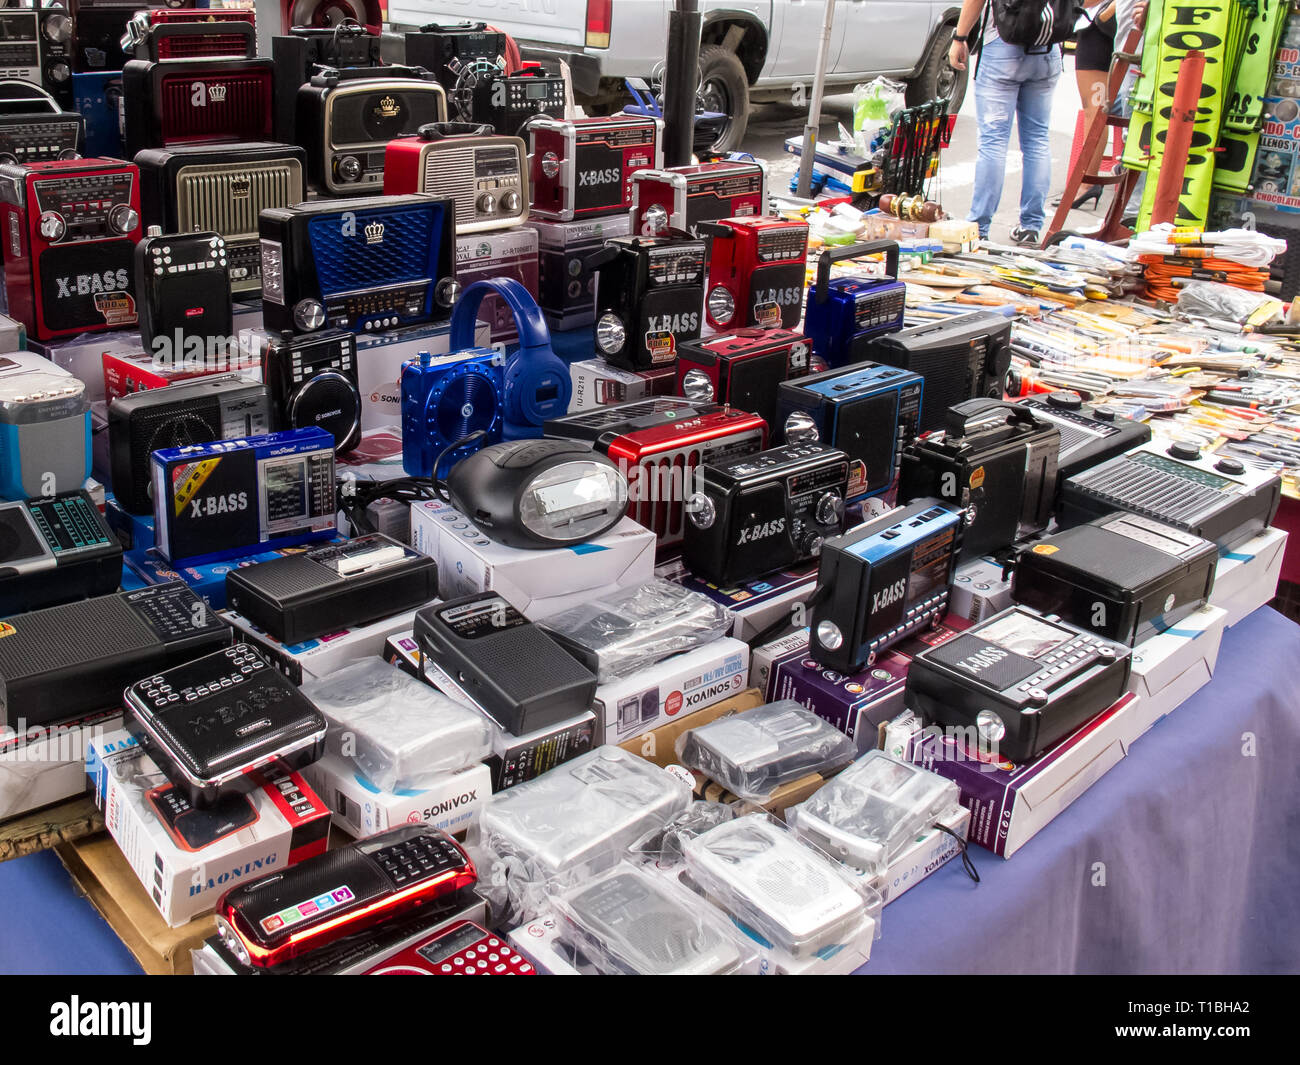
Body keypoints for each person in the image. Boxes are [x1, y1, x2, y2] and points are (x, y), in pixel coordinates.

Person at [949, 0, 1064, 246]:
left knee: (993, 141)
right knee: (1037, 139)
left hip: (1003, 46)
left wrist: (960, 37)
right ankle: (1031, 226)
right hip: (1048, 49)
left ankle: (979, 226)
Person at [1065, 1, 1118, 209]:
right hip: (1111, 24)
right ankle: (1088, 182)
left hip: (1099, 26)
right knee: (1097, 111)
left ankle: (1087, 183)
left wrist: (1104, 14)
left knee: (1094, 112)